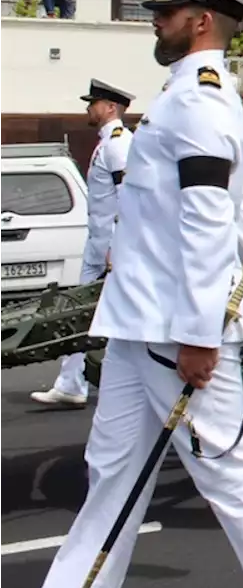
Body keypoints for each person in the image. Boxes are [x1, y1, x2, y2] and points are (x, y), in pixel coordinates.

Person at [21, 0, 243, 588]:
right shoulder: (182, 94)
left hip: (175, 323)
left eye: (164, 11)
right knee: (112, 469)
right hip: (138, 317)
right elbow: (238, 198)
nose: (154, 20)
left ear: (201, 20)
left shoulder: (199, 97)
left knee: (226, 465)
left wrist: (200, 332)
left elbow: (209, 217)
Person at [30, 80, 135, 409]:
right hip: (99, 248)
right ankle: (71, 383)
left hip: (110, 251)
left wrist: (116, 248)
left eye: (95, 103)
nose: (89, 108)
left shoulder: (118, 144)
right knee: (81, 317)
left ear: (111, 108)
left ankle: (98, 384)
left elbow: (128, 198)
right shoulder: (108, 143)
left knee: (112, 317)